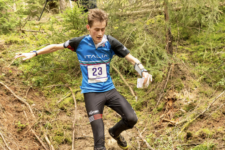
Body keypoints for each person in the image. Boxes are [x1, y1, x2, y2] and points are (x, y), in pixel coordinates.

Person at [15, 9, 152, 150]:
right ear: (88, 28)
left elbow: (132, 59)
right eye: (96, 29)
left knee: (131, 119)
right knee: (99, 144)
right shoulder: (79, 42)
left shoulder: (110, 42)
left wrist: (143, 71)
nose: (99, 33)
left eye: (103, 29)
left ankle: (114, 132)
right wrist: (34, 53)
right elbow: (55, 47)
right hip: (91, 94)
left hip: (109, 90)